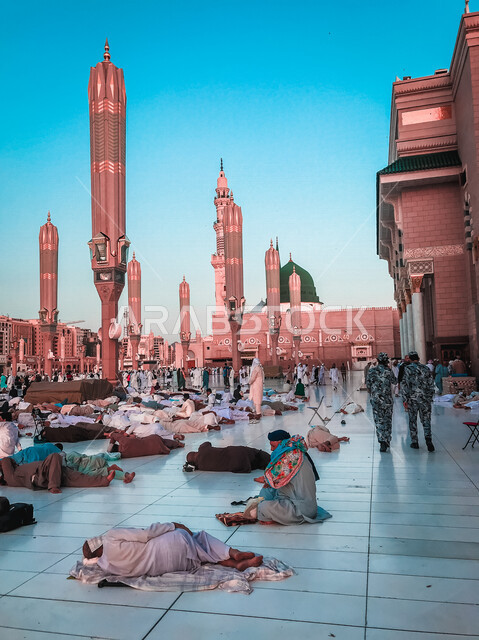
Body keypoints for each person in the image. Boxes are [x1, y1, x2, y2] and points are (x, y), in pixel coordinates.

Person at [82, 522, 263, 577]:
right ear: (98, 543)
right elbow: (145, 534)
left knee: (200, 555)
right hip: (173, 545)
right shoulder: (111, 536)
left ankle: (234, 564)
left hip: (171, 566)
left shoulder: (106, 565)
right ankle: (233, 553)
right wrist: (172, 525)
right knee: (199, 538)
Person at [248, 430, 330, 526]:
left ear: (281, 443)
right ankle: (270, 514)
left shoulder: (290, 458)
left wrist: (266, 480)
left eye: (273, 446)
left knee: (262, 506)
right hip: (291, 499)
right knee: (264, 492)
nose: (271, 449)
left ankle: (271, 516)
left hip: (300, 508)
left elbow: (270, 480)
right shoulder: (293, 452)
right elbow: (271, 482)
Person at [0, 452, 113, 493]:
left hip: (49, 472)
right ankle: (53, 486)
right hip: (40, 474)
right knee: (55, 456)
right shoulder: (11, 477)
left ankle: (104, 480)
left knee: (76, 477)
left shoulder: (13, 476)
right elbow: (6, 460)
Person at [401, 351, 435, 451]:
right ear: (419, 358)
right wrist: (429, 397)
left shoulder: (408, 369)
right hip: (425, 400)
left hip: (412, 400)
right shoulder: (426, 368)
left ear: (410, 359)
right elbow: (431, 384)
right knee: (426, 420)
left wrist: (405, 399)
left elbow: (405, 385)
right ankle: (428, 440)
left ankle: (415, 442)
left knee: (412, 420)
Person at [366, 352, 396, 452]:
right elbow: (395, 382)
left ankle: (381, 441)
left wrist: (374, 393)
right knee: (388, 420)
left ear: (378, 361)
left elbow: (368, 386)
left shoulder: (371, 371)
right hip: (387, 400)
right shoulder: (389, 371)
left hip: (376, 400)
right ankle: (387, 439)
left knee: (378, 420)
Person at [186, 442, 270, 473]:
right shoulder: (203, 449)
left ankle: (270, 466)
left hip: (238, 467)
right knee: (259, 454)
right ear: (195, 452)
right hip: (237, 452)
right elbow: (207, 443)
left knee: (258, 463)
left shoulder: (201, 467)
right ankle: (277, 462)